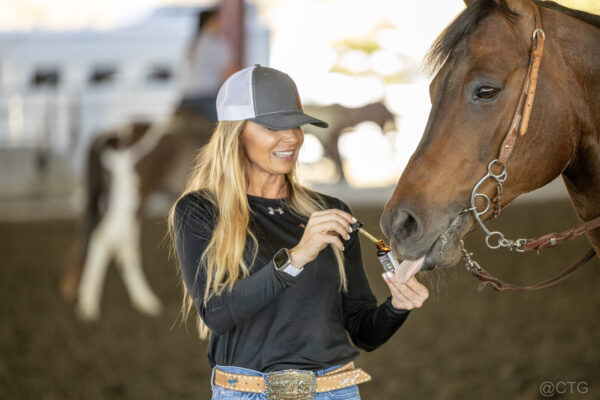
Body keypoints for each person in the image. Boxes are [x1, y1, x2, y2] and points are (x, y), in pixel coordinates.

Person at [168, 65, 429, 400]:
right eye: (272, 125)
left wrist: (397, 306)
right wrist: (295, 258)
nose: (291, 137)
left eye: (295, 125)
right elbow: (216, 313)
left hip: (337, 391)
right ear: (236, 132)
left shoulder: (330, 211)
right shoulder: (200, 210)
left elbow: (363, 331)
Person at [178, 7, 236, 121]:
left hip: (187, 98)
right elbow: (229, 73)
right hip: (207, 98)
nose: (223, 24)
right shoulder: (215, 44)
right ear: (211, 21)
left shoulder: (194, 44)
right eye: (220, 20)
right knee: (226, 131)